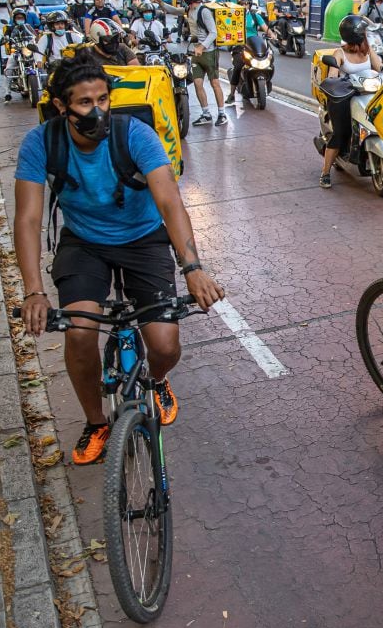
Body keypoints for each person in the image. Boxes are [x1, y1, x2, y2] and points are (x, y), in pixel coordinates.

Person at [13, 50, 225, 464]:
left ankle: (158, 381)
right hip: (84, 243)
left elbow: (170, 202)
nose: (98, 110)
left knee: (163, 344)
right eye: (85, 103)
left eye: (103, 100)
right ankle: (96, 422)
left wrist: (193, 268)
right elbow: (28, 217)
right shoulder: (42, 142)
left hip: (144, 239)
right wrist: (34, 291)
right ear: (61, 106)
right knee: (78, 332)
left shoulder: (135, 135)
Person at [317, 15, 383, 188]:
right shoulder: (340, 53)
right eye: (363, 34)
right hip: (344, 97)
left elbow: (379, 68)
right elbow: (333, 74)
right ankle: (325, 172)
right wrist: (336, 79)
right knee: (340, 133)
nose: (365, 36)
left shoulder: (367, 51)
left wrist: (370, 51)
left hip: (366, 95)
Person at [181, 0, 228, 126]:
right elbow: (175, 11)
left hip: (209, 53)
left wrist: (201, 46)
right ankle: (206, 113)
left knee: (215, 83)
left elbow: (213, 32)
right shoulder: (189, 10)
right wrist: (161, 5)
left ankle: (222, 114)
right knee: (197, 83)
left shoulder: (204, 11)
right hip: (196, 53)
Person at [225, 0, 269, 104]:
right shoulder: (233, 17)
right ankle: (231, 94)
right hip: (239, 46)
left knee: (267, 59)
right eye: (242, 4)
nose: (245, 6)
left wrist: (273, 35)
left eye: (246, 4)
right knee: (239, 65)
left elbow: (265, 28)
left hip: (254, 45)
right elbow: (227, 29)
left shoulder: (255, 16)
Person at [0, 9, 37, 101]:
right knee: (8, 68)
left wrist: (37, 38)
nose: (20, 19)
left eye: (21, 17)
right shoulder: (10, 28)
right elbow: (6, 37)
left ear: (24, 18)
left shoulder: (28, 27)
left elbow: (34, 35)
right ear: (14, 19)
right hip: (16, 51)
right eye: (18, 18)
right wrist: (6, 39)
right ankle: (7, 92)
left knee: (40, 63)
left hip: (27, 50)